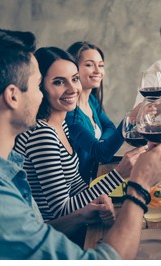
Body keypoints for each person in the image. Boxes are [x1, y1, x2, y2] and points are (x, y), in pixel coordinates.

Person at [0, 25, 161, 259]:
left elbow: (47, 220)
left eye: (74, 79)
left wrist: (88, 211)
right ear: (13, 96)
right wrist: (139, 186)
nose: (41, 95)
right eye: (38, 85)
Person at [13, 47, 144, 224]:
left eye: (74, 79)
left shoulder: (62, 124)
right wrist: (118, 175)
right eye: (59, 82)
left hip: (78, 221)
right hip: (55, 235)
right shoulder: (42, 135)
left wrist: (101, 199)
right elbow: (61, 210)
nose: (72, 88)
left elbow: (76, 184)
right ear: (41, 87)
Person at [66, 41, 135, 183]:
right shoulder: (70, 114)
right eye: (89, 65)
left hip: (98, 177)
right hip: (82, 191)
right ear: (73, 69)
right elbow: (101, 154)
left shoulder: (92, 100)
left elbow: (110, 126)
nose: (98, 70)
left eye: (101, 65)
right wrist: (131, 118)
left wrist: (101, 143)